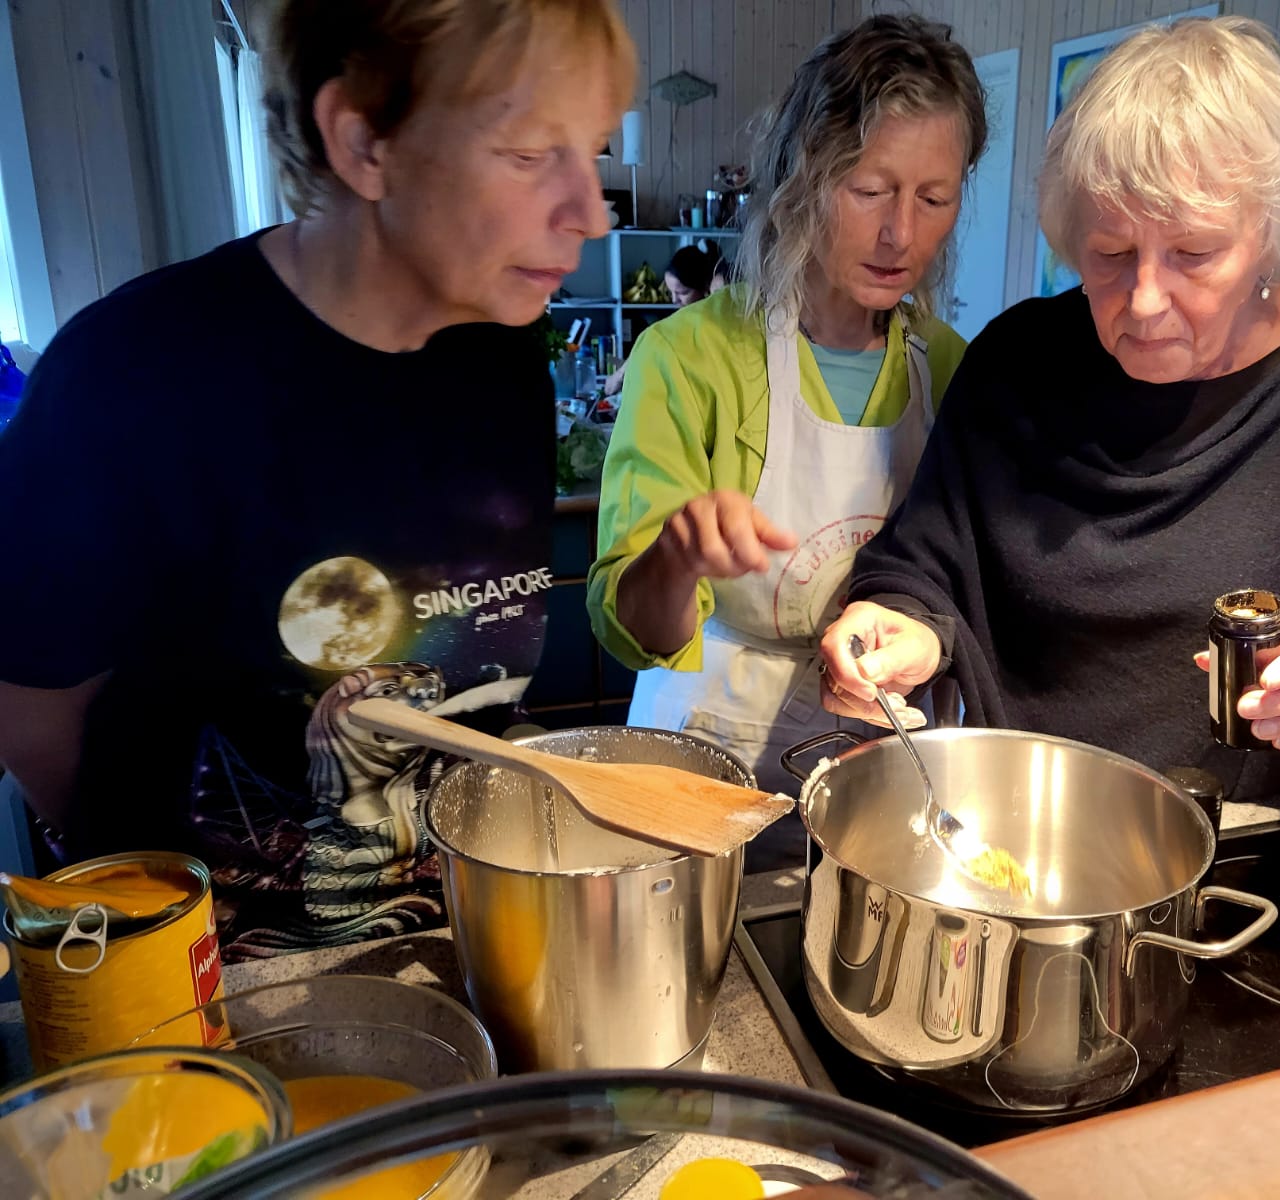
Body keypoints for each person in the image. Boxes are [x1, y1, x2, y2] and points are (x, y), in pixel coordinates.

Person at [0, 0, 633, 957]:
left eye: (590, 151)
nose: (590, 212)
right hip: (199, 978)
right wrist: (164, 928)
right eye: (528, 153)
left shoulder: (498, 353)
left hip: (444, 941)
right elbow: (32, 707)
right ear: (363, 140)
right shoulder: (136, 373)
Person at [817, 16, 1280, 803]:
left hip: (1261, 858)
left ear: (1267, 235)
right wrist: (905, 627)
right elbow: (921, 565)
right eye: (1112, 253)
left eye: (1194, 253)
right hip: (1025, 837)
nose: (1148, 299)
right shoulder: (1017, 361)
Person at [587, 14, 986, 868]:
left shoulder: (951, 370)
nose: (901, 235)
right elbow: (634, 627)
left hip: (878, 758)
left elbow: (966, 585)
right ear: (800, 178)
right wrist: (676, 558)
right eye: (871, 189)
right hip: (705, 752)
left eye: (934, 198)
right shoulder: (690, 358)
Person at [602, 244, 719, 396]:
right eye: (670, 292)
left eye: (683, 293)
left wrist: (620, 375)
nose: (674, 300)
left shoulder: (707, 324)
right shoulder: (681, 320)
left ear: (705, 289)